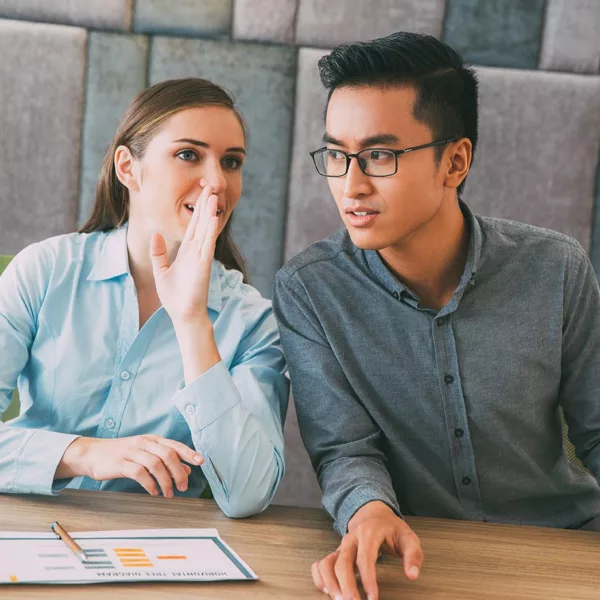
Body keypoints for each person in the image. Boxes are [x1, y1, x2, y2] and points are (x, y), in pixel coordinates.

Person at [272, 31, 600, 600]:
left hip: (565, 548)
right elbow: (345, 449)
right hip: (418, 564)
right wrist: (368, 511)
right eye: (337, 155)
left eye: (379, 155)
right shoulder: (310, 291)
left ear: (455, 161)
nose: (352, 186)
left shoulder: (556, 269)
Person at [0, 77, 289, 519]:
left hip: (158, 559)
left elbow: (248, 492)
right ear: (127, 168)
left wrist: (193, 322)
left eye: (231, 162)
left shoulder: (251, 322)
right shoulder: (45, 271)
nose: (217, 182)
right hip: (29, 536)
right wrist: (82, 454)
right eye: (188, 154)